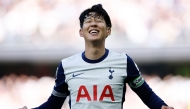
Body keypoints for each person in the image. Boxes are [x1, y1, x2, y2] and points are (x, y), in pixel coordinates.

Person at [20, 4, 174, 109]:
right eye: (88, 21)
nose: (93, 23)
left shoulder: (124, 62)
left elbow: (146, 94)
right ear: (81, 32)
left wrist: (161, 106)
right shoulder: (66, 66)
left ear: (108, 31)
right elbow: (54, 104)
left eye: (99, 20)